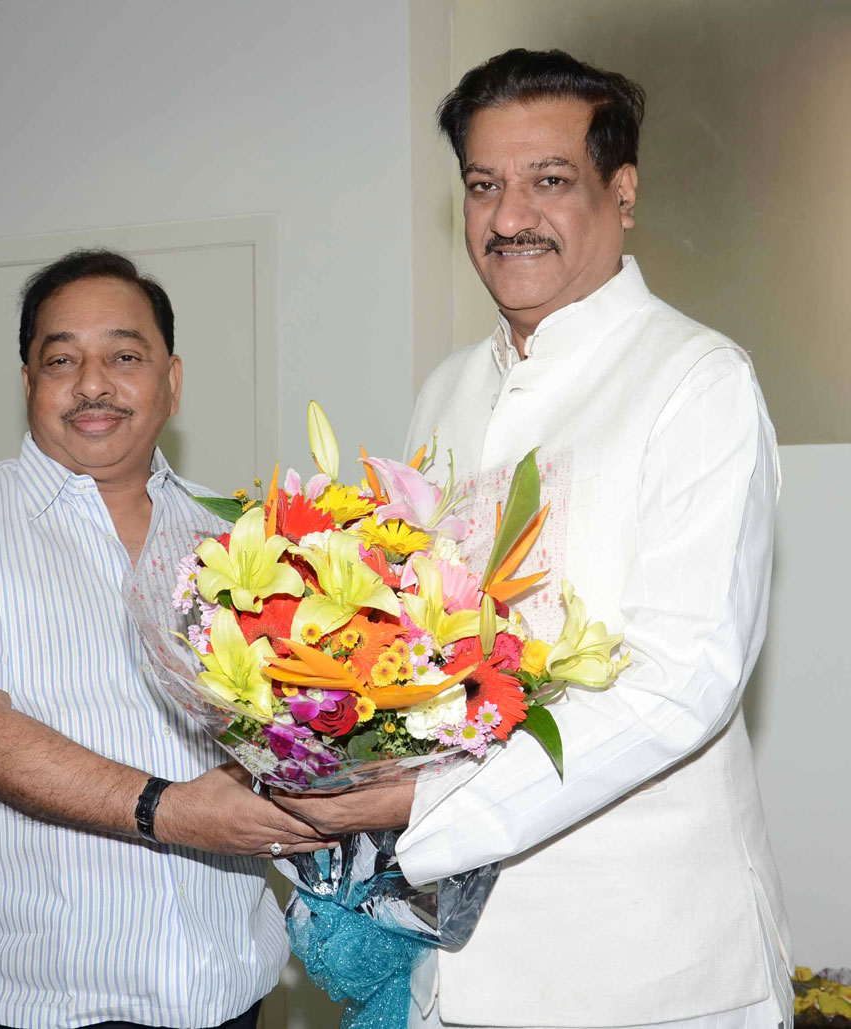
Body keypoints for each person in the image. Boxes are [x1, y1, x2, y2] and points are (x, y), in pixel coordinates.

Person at [278, 48, 794, 1029]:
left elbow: (681, 675)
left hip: (642, 970)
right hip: (450, 964)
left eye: (547, 182)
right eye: (483, 186)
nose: (509, 217)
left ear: (622, 190)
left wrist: (414, 808)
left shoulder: (696, 381)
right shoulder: (447, 388)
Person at [0, 249, 329, 1029]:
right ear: (28, 383)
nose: (93, 383)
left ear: (172, 380)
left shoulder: (239, 535)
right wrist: (171, 810)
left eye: (124, 355)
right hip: (41, 993)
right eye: (62, 358)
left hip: (226, 978)